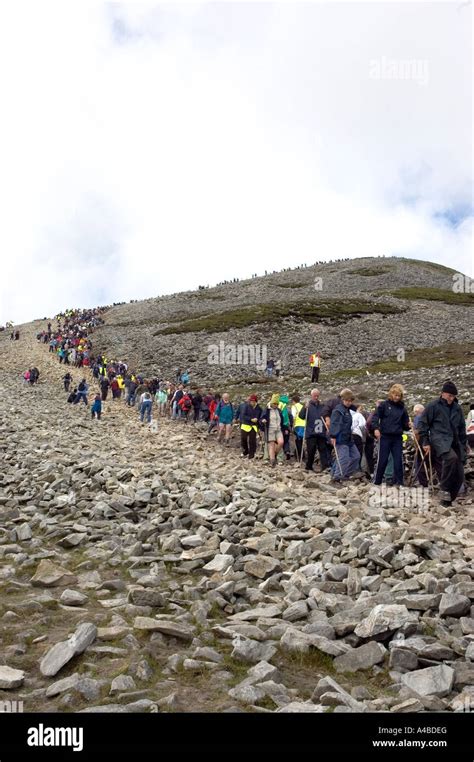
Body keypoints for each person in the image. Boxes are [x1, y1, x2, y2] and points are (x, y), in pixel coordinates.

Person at [418, 381, 469, 506]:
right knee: (451, 458)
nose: (451, 398)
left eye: (453, 396)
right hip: (439, 438)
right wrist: (425, 441)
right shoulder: (433, 406)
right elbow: (423, 424)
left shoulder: (457, 408)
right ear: (443, 393)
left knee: (460, 472)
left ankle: (448, 500)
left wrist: (464, 445)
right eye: (449, 396)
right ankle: (444, 489)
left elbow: (462, 428)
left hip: (455, 441)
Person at [372, 384, 411, 486]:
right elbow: (375, 417)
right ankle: (377, 481)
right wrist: (376, 428)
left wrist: (408, 425)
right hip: (385, 436)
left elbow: (405, 424)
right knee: (383, 460)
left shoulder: (402, 408)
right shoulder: (384, 405)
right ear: (391, 394)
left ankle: (399, 482)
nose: (397, 397)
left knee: (398, 460)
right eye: (395, 395)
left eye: (399, 396)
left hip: (397, 437)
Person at [328, 389, 361, 481]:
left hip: (348, 438)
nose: (349, 402)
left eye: (350, 401)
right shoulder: (338, 411)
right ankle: (336, 477)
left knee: (356, 456)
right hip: (340, 438)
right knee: (343, 458)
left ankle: (345, 474)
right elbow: (335, 424)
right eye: (347, 400)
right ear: (343, 400)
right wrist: (333, 436)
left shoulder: (347, 409)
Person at [299, 389, 331, 472]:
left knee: (323, 449)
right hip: (311, 432)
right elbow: (301, 416)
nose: (316, 397)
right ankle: (309, 466)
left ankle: (325, 466)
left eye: (317, 396)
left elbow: (326, 415)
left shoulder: (322, 406)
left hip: (321, 432)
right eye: (314, 396)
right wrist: (304, 408)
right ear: (311, 396)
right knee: (311, 450)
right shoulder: (308, 405)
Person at [260, 393, 284, 467]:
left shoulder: (279, 411)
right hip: (270, 429)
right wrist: (263, 420)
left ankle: (275, 453)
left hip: (278, 429)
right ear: (271, 403)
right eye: (275, 404)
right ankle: (272, 460)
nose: (276, 405)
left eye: (277, 404)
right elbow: (261, 418)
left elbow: (281, 419)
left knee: (281, 442)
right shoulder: (267, 410)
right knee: (271, 444)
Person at [237, 394, 262, 459]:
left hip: (254, 426)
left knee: (252, 440)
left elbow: (260, 417)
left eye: (253, 401)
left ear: (256, 401)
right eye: (251, 401)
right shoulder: (246, 406)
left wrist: (258, 420)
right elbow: (243, 416)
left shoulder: (259, 408)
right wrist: (251, 419)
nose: (252, 402)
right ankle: (245, 451)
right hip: (245, 424)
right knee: (243, 438)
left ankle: (252, 453)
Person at [291, 394, 306, 462]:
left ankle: (299, 455)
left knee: (298, 440)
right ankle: (302, 454)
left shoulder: (294, 407)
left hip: (298, 425)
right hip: (304, 425)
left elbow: (293, 416)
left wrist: (292, 426)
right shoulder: (302, 406)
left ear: (293, 401)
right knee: (301, 440)